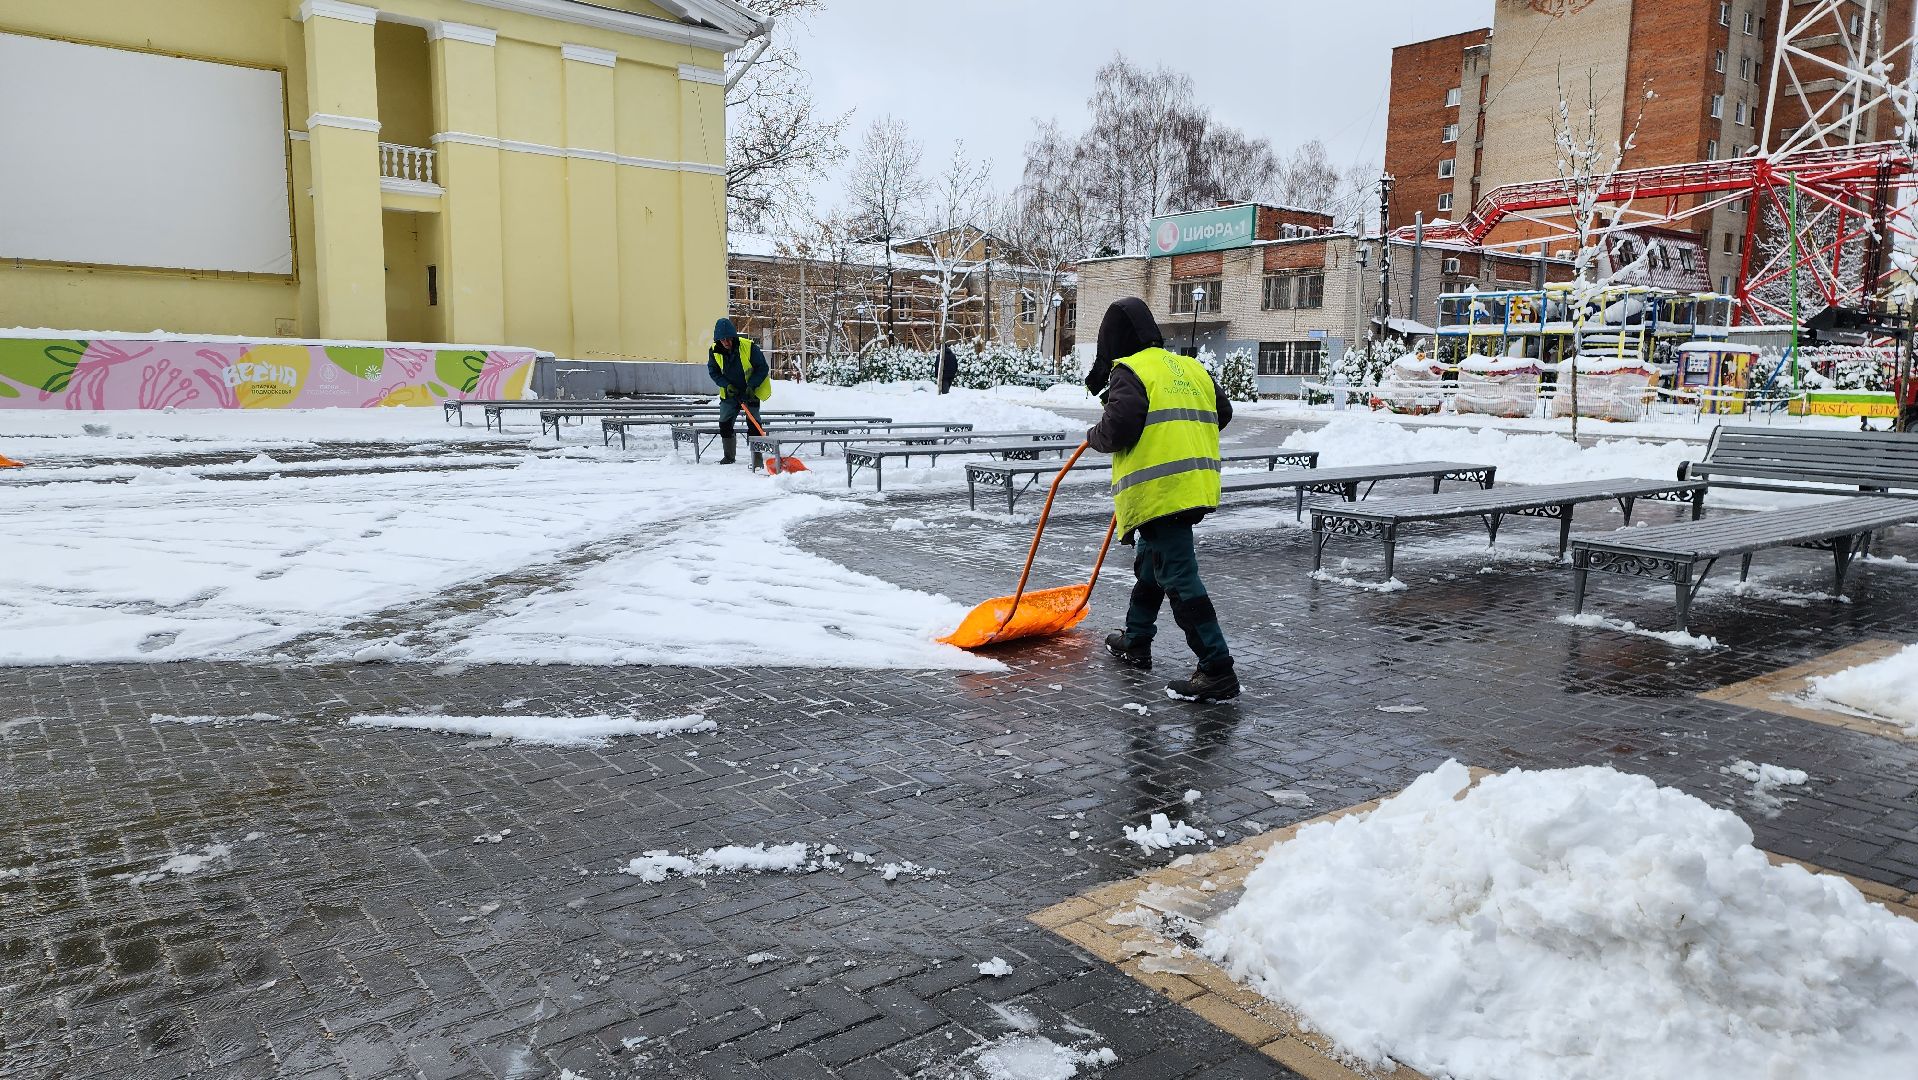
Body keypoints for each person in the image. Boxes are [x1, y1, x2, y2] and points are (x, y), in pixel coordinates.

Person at [1085, 297, 1239, 703]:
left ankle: (1217, 668)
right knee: (1152, 566)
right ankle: (1135, 640)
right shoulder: (1190, 366)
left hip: (1161, 492)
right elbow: (1222, 412)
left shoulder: (1130, 370)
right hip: (1191, 485)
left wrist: (1093, 435)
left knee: (1179, 576)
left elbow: (1117, 429)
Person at [706, 317, 770, 465]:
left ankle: (757, 460)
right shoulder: (714, 351)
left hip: (749, 392)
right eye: (722, 340)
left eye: (728, 339)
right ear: (718, 340)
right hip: (730, 394)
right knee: (725, 424)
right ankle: (729, 457)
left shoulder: (749, 347)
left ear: (734, 337)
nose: (726, 342)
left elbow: (762, 368)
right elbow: (714, 372)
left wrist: (752, 386)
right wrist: (726, 385)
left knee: (754, 425)